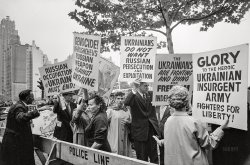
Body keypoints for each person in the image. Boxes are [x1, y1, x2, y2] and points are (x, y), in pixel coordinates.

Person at [153, 85, 229, 165]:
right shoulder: (194, 122)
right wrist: (221, 128)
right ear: (187, 102)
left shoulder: (168, 121)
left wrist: (162, 142)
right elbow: (210, 144)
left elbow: (180, 140)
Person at [124, 80, 160, 163]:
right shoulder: (134, 96)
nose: (147, 87)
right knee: (142, 158)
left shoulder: (151, 95)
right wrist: (134, 89)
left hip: (151, 131)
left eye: (148, 85)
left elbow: (162, 96)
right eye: (145, 86)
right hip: (139, 133)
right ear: (139, 86)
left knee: (154, 157)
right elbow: (126, 102)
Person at [1, 89, 40, 165]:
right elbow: (21, 118)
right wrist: (35, 112)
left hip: (14, 141)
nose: (33, 99)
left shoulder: (18, 105)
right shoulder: (19, 107)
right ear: (27, 98)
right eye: (32, 97)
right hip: (15, 143)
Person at [107, 91, 132, 156]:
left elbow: (131, 122)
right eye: (118, 98)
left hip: (125, 137)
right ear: (115, 99)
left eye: (122, 98)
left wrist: (129, 123)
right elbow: (104, 122)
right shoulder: (110, 110)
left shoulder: (127, 110)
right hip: (114, 138)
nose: (120, 100)